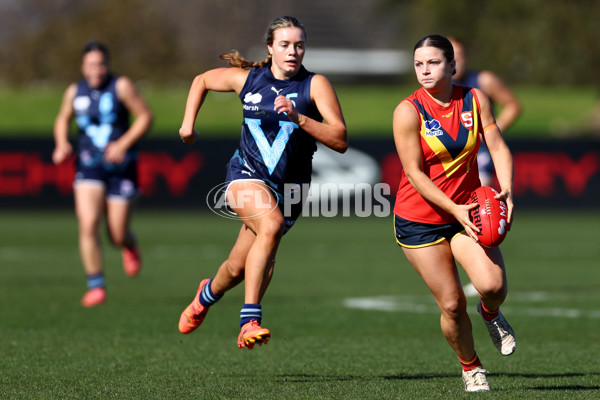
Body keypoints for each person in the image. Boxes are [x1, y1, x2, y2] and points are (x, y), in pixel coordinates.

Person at [177, 16, 347, 350]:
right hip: (246, 176)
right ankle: (249, 319)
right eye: (284, 45)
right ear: (270, 48)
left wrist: (299, 117)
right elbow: (202, 81)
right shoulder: (248, 80)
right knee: (269, 227)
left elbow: (340, 139)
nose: (292, 51)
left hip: (290, 190)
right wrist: (187, 125)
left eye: (299, 45)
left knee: (237, 267)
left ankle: (206, 294)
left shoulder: (315, 85)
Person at [392, 34, 515, 392]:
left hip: (469, 211)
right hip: (420, 221)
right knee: (451, 304)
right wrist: (454, 209)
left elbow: (497, 144)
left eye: (433, 62)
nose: (425, 70)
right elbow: (414, 173)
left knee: (492, 286)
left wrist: (506, 191)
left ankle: (490, 313)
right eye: (418, 64)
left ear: (452, 66)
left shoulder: (474, 98)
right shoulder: (407, 110)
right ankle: (471, 366)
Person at [53, 40, 153, 307]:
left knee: (116, 234)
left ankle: (128, 244)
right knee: (88, 224)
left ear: (107, 65)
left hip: (122, 168)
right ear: (83, 67)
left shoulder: (121, 86)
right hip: (89, 166)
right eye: (91, 65)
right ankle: (96, 284)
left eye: (100, 64)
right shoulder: (74, 91)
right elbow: (63, 118)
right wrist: (62, 142)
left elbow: (145, 117)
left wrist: (122, 145)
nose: (96, 70)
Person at [449, 37, 522, 187]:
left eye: (460, 55)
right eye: (451, 56)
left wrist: (491, 132)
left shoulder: (484, 80)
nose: (456, 61)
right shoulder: (436, 86)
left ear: (466, 57)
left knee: (480, 196)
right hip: (448, 153)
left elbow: (513, 105)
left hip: (478, 153)